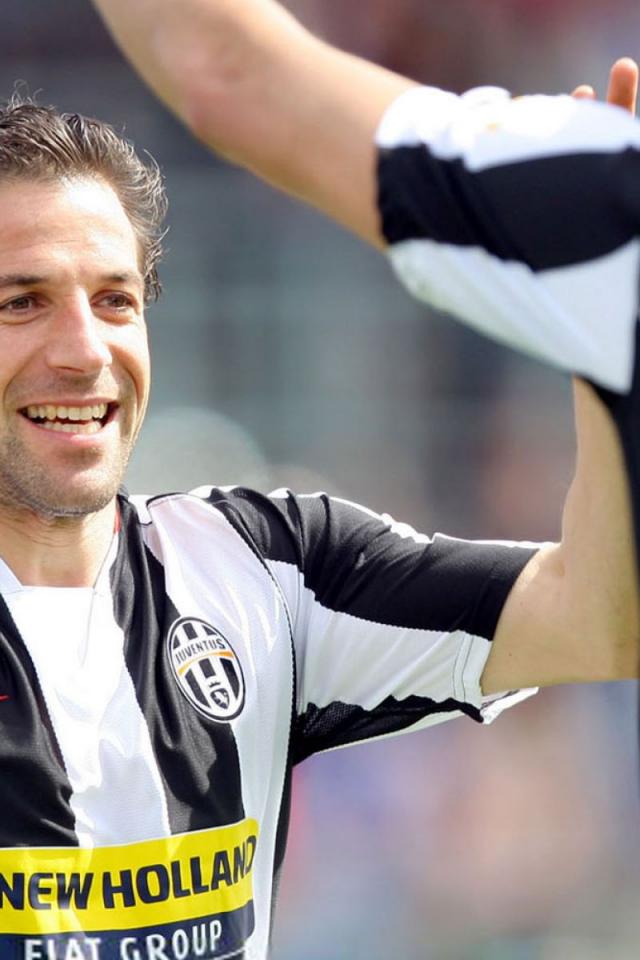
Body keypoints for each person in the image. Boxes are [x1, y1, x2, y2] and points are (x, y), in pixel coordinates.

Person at [0, 9, 635, 960]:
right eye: (24, 301)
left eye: (116, 300)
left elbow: (602, 619)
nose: (86, 350)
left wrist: (599, 309)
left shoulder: (268, 570)